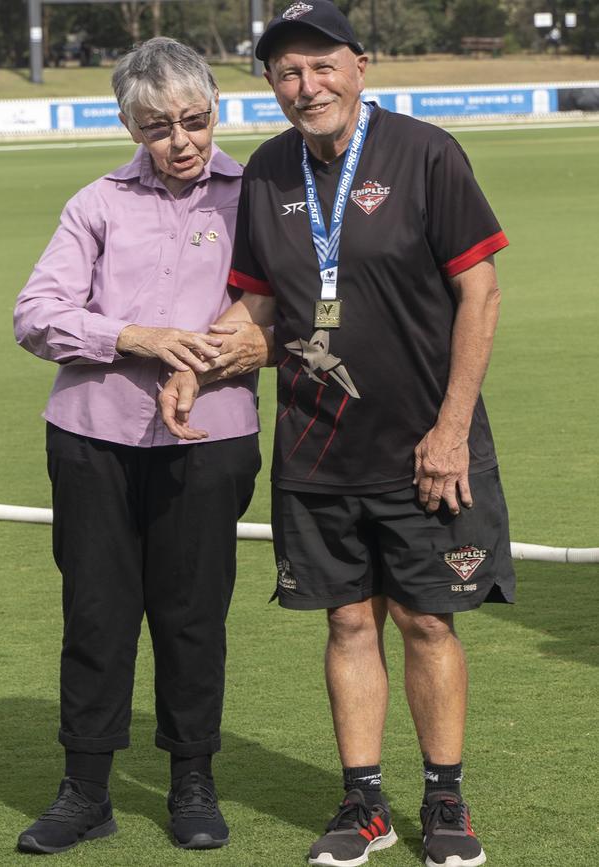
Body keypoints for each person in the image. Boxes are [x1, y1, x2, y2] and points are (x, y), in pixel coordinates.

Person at [161, 3, 516, 866]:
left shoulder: (427, 153)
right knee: (349, 624)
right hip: (315, 449)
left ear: (361, 66)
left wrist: (452, 430)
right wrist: (194, 363)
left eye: (322, 66)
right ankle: (364, 805)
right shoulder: (270, 169)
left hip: (425, 447)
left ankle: (445, 801)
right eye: (286, 72)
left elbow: (481, 292)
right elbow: (256, 303)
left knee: (427, 623)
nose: (305, 85)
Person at [13, 37, 270, 855]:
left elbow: (288, 309)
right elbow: (36, 314)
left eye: (195, 120)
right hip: (91, 437)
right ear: (130, 124)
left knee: (193, 617)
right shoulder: (95, 203)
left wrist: (213, 352)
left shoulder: (257, 198)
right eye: (159, 127)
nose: (182, 141)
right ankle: (84, 788)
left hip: (211, 440)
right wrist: (134, 334)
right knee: (96, 615)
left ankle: (192, 782)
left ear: (216, 112)